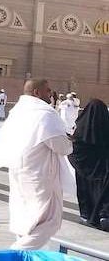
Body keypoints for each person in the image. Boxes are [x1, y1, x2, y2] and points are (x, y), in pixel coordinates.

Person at [0, 79, 74, 250]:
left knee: (25, 218)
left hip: (20, 171)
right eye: (47, 90)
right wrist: (70, 142)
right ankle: (15, 253)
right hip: (40, 174)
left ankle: (21, 256)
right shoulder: (44, 113)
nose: (50, 94)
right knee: (49, 220)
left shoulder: (17, 111)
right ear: (37, 92)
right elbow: (60, 146)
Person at [68, 99, 109, 231]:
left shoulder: (80, 133)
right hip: (103, 172)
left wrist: (82, 167)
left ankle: (86, 214)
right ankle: (103, 215)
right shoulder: (105, 129)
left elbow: (73, 152)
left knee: (85, 191)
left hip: (84, 171)